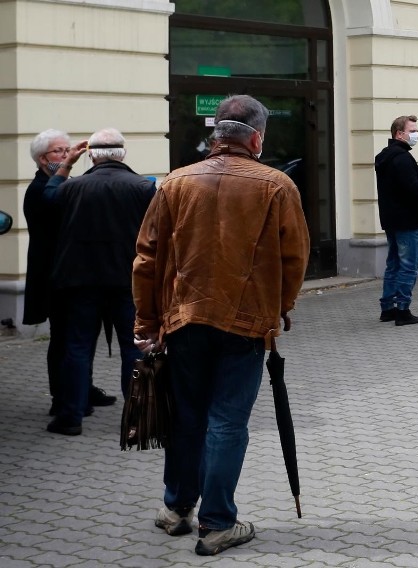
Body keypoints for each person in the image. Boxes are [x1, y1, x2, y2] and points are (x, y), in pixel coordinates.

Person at [132, 95, 310, 556]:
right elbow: (295, 260)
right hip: (246, 322)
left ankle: (176, 510)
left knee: (187, 417)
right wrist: (281, 306)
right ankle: (217, 523)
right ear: (257, 137)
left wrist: (148, 320)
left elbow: (146, 258)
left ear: (215, 137)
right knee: (227, 421)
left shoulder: (174, 183)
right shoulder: (276, 185)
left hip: (184, 318)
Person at [43, 128, 156, 435]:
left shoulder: (73, 187)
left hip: (81, 283)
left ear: (90, 155)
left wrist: (66, 165)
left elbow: (48, 197)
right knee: (136, 348)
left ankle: (70, 417)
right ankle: (140, 418)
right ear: (124, 154)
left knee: (77, 348)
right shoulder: (144, 188)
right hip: (128, 282)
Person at [22, 129, 118, 417]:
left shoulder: (65, 183)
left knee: (82, 336)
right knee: (64, 337)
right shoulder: (42, 189)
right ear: (42, 159)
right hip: (55, 276)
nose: (65, 156)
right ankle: (62, 397)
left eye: (67, 150)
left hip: (77, 274)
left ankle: (81, 389)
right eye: (58, 152)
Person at [374, 115, 418, 325]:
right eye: (412, 130)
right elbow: (414, 189)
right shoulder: (403, 159)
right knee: (408, 266)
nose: (416, 134)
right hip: (408, 220)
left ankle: (388, 307)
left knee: (394, 264)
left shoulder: (385, 156)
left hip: (392, 219)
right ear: (399, 133)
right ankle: (403, 310)